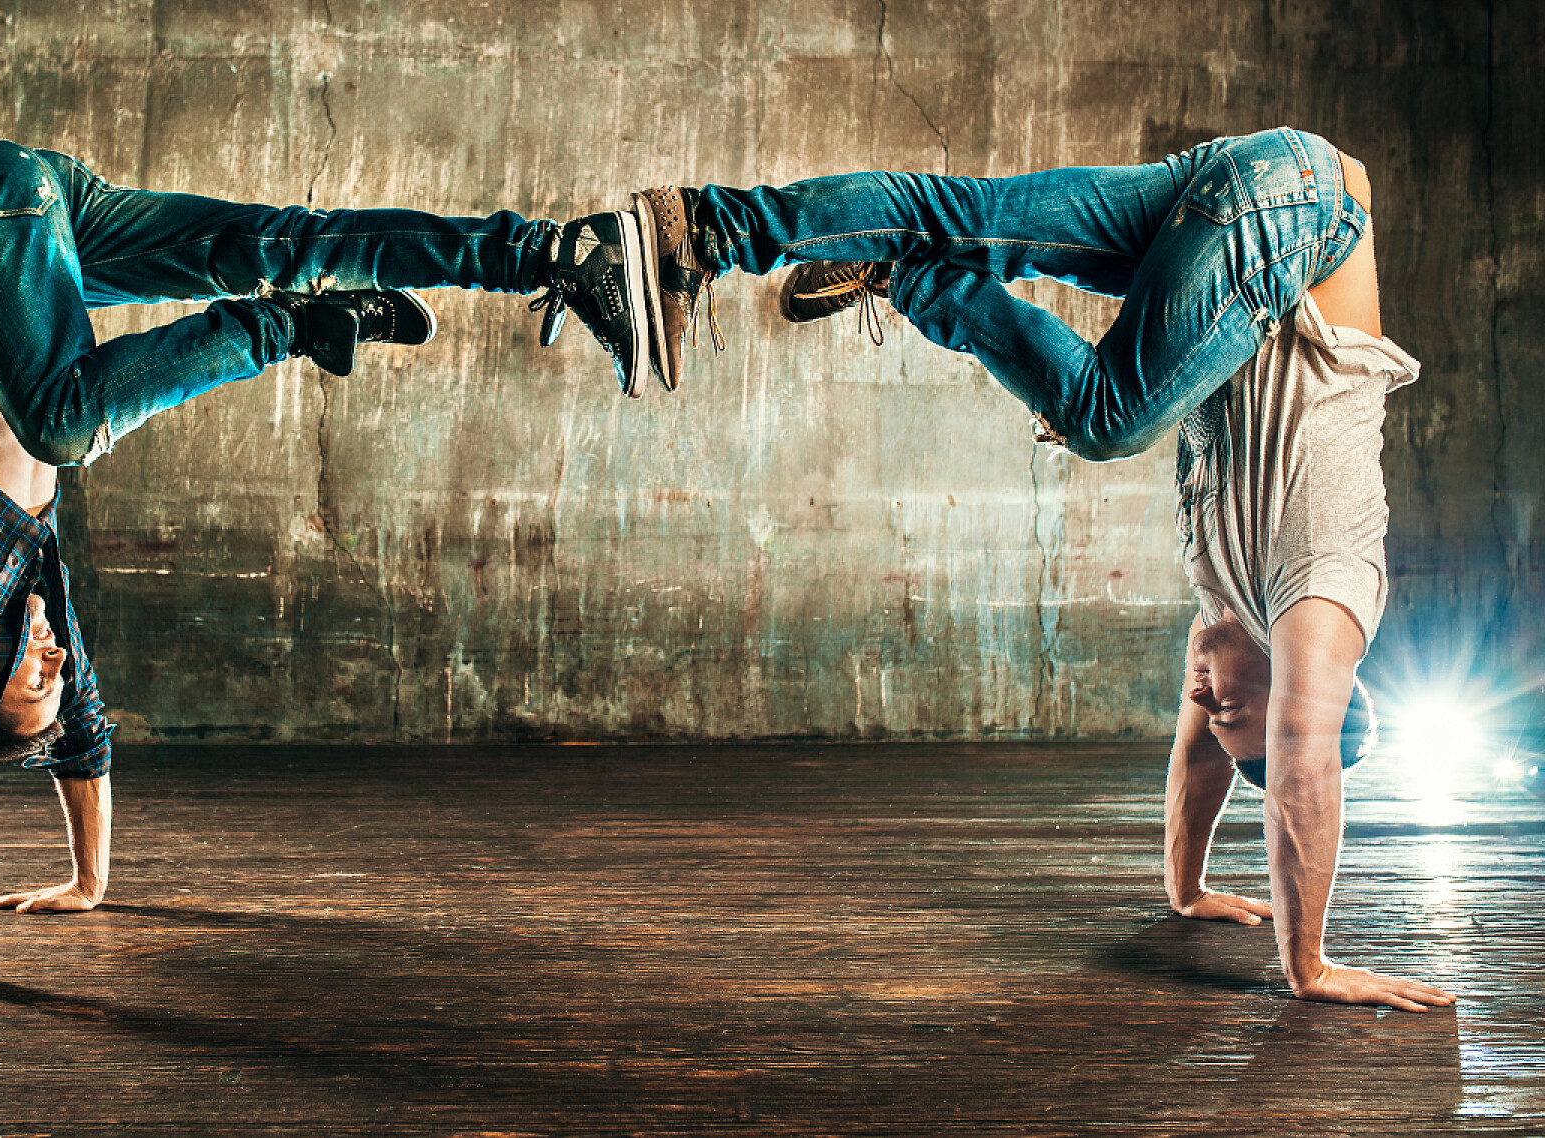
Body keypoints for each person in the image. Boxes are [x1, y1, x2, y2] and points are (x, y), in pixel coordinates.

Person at [603, 128, 1454, 1011]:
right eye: (1232, 707)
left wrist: (1184, 890)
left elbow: (1199, 762)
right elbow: (1301, 767)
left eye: (1208, 713)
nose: (1200, 698)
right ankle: (912, 278)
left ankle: (691, 230)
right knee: (1104, 418)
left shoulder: (1226, 605)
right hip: (1303, 218)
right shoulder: (1327, 591)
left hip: (1240, 195)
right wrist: (1307, 963)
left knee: (967, 219)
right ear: (1300, 698)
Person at [0, 139, 653, 993]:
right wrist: (89, 881)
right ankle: (558, 254)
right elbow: (85, 726)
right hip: (42, 227)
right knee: (291, 244)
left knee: (66, 428)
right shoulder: (29, 576)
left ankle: (293, 324)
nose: (56, 658)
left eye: (35, 679)